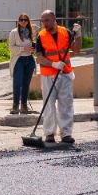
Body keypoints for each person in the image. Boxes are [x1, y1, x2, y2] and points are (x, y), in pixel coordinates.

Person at [35, 9, 76, 144]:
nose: (44, 23)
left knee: (66, 104)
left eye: (47, 20)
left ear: (54, 19)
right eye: (43, 21)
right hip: (48, 75)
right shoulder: (40, 36)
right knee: (49, 105)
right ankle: (49, 133)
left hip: (65, 74)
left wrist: (79, 35)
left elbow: (77, 49)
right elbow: (39, 58)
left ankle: (66, 134)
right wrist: (53, 64)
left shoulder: (66, 32)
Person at [7, 13, 36, 115]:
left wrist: (33, 49)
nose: (23, 21)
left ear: (28, 21)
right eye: (21, 20)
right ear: (18, 21)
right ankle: (15, 105)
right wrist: (23, 49)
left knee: (26, 84)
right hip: (18, 60)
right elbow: (11, 48)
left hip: (29, 59)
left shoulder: (31, 32)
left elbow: (32, 46)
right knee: (17, 83)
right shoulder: (14, 32)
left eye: (25, 20)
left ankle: (24, 105)